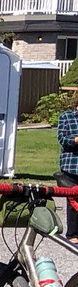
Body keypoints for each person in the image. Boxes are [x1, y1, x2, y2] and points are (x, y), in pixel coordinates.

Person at [55, 87, 78, 242]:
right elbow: (62, 139)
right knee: (73, 201)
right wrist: (76, 140)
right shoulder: (66, 117)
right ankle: (73, 234)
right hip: (72, 166)